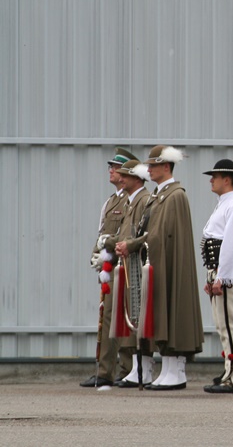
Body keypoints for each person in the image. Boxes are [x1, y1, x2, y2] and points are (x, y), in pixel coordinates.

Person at [116, 145, 204, 391]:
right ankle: (167, 369)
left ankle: (175, 371)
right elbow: (150, 232)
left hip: (168, 263)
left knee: (171, 313)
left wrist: (133, 244)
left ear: (167, 166)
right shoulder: (159, 195)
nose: (149, 169)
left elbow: (158, 235)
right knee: (159, 315)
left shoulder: (175, 195)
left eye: (153, 165)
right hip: (157, 262)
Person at [81, 147, 136, 388]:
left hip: (120, 265)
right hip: (107, 266)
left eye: (115, 167)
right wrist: (96, 255)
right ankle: (105, 370)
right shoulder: (111, 201)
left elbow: (124, 234)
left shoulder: (129, 200)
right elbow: (103, 232)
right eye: (111, 167)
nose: (111, 171)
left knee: (120, 319)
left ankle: (126, 370)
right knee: (106, 319)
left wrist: (108, 252)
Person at [200, 159, 233, 394]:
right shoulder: (224, 204)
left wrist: (222, 277)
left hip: (227, 270)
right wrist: (211, 276)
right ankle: (228, 369)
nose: (211, 179)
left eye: (215, 175)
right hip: (218, 270)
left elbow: (232, 245)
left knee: (230, 324)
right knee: (222, 325)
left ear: (227, 179)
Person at [105, 159, 153, 387]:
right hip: (126, 265)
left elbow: (145, 235)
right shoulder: (132, 201)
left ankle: (141, 369)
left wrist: (126, 244)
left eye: (125, 175)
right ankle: (134, 368)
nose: (120, 178)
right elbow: (125, 232)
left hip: (136, 265)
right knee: (129, 316)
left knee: (137, 316)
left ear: (137, 178)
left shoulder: (143, 200)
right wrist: (111, 242)